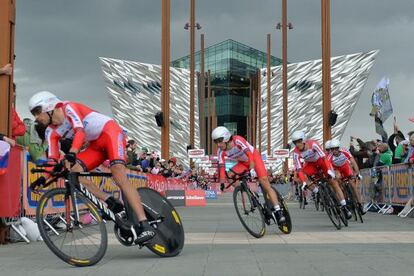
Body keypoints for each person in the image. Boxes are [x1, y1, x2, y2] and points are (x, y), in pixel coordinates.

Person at [28, 91, 155, 244]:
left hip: (110, 133)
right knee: (74, 172)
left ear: (49, 107)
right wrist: (43, 178)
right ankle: (112, 202)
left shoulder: (69, 108)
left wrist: (73, 152)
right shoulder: (50, 131)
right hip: (96, 145)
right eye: (33, 114)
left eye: (37, 112)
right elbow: (53, 159)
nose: (36, 117)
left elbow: (79, 131)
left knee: (118, 175)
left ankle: (144, 223)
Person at [211, 126, 286, 225]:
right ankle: (247, 192)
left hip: (254, 158)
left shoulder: (237, 140)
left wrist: (251, 167)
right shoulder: (220, 151)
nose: (218, 144)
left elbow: (250, 154)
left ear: (226, 138)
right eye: (215, 142)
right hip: (242, 163)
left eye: (219, 141)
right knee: (229, 176)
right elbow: (221, 167)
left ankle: (278, 210)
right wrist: (221, 182)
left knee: (263, 181)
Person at [291, 130, 352, 219]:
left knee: (333, 182)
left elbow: (324, 157)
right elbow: (299, 169)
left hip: (321, 161)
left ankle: (344, 206)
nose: (297, 144)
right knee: (301, 178)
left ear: (304, 140)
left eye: (299, 141)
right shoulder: (295, 153)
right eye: (295, 142)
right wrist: (304, 182)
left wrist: (329, 170)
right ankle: (317, 191)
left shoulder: (313, 144)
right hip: (310, 165)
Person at [327, 139, 365, 215]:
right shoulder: (329, 157)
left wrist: (357, 173)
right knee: (337, 178)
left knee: (353, 185)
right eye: (332, 149)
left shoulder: (345, 151)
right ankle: (344, 199)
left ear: (339, 148)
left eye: (336, 148)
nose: (334, 150)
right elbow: (330, 169)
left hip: (345, 167)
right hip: (337, 169)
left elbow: (353, 162)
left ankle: (360, 204)